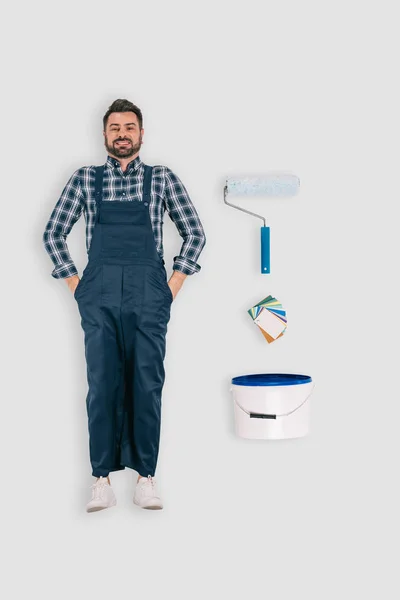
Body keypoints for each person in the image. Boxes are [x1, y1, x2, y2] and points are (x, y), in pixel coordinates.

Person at [42, 99, 206, 512]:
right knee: (102, 387)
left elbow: (195, 233)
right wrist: (78, 286)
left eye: (129, 127)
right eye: (114, 127)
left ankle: (146, 478)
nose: (122, 133)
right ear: (104, 135)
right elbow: (53, 234)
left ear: (141, 133)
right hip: (97, 296)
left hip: (149, 295)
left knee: (147, 385)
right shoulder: (84, 179)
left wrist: (172, 287)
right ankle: (101, 480)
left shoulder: (162, 179)